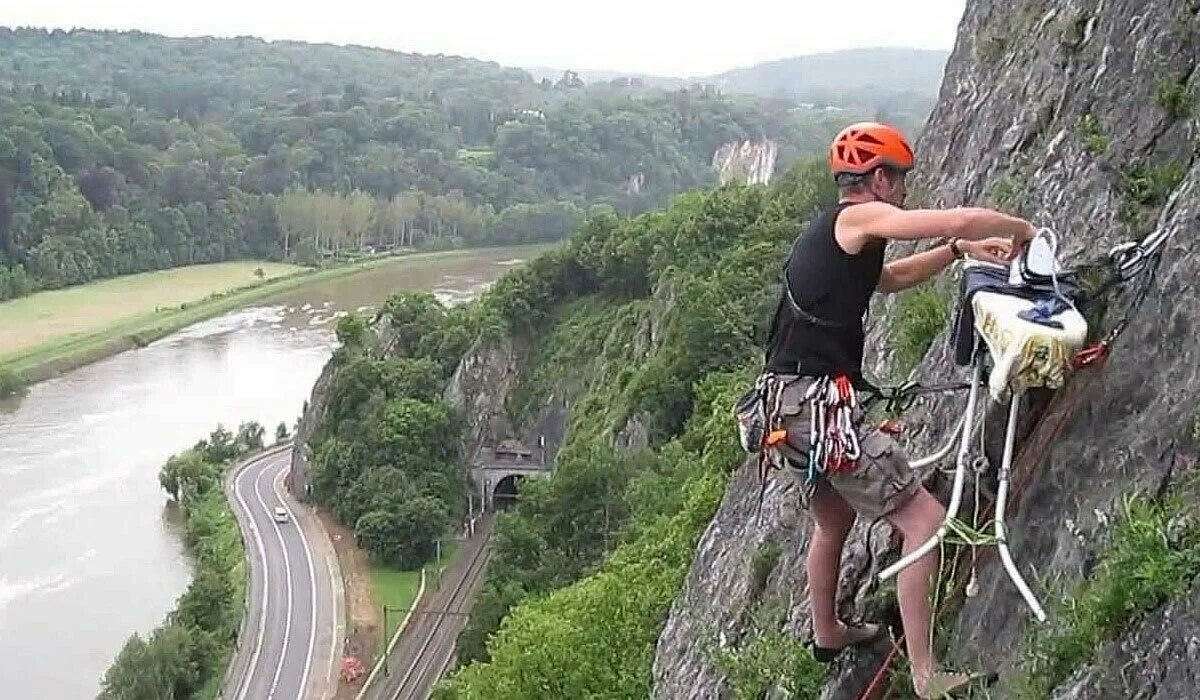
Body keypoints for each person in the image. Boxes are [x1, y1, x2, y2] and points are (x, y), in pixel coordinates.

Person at [763, 122, 1035, 698]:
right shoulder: (857, 218)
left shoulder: (843, 238)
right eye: (901, 180)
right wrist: (1020, 231)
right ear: (879, 179)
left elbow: (887, 279)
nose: (906, 190)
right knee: (924, 521)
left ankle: (828, 631)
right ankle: (925, 675)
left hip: (785, 408)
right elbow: (957, 216)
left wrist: (957, 253)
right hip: (816, 407)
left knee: (833, 519)